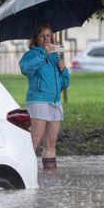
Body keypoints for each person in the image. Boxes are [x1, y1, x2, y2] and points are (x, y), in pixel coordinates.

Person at [20, 23, 70, 170]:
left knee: (51, 143)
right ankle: (23, 171)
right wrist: (43, 54)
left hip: (55, 103)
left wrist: (63, 68)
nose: (45, 38)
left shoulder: (56, 56)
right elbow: (25, 69)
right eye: (42, 36)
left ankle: (50, 178)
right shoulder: (31, 54)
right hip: (38, 101)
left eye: (48, 35)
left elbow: (65, 84)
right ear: (36, 38)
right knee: (34, 140)